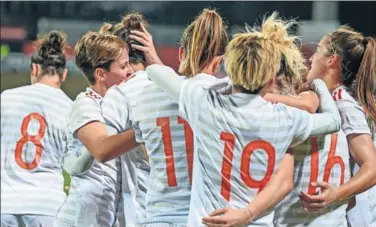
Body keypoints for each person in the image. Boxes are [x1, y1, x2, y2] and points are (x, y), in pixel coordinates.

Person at [146, 12, 342, 226]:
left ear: (230, 69)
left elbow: (155, 71)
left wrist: (226, 84)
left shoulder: (206, 105)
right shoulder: (285, 118)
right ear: (269, 78)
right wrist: (318, 85)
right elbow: (333, 121)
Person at [101, 8, 229, 226]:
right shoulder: (227, 95)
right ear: (220, 61)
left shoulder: (144, 96)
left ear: (181, 54)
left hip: (159, 215)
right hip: (209, 216)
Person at [54, 31, 134, 227]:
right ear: (100, 74)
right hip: (80, 218)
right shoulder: (86, 104)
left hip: (104, 217)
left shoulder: (119, 106)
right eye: (123, 66)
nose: (130, 71)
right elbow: (102, 149)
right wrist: (145, 129)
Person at [299, 26, 376, 227]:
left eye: (317, 51)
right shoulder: (333, 99)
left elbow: (373, 167)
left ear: (331, 60)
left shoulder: (343, 102)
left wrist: (336, 194)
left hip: (356, 220)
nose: (311, 58)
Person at [1, 31, 72, 227]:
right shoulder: (71, 108)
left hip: (5, 203)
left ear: (34, 69)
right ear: (64, 74)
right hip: (47, 205)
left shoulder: (6, 98)